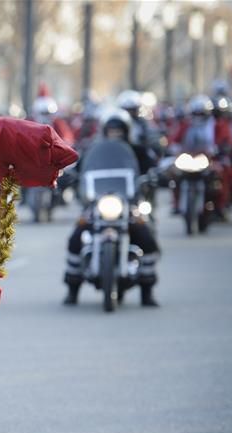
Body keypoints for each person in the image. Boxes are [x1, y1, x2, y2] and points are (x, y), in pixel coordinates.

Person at [63, 109, 160, 307]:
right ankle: (72, 289)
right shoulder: (93, 150)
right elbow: (79, 168)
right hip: (98, 204)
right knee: (75, 238)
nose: (115, 133)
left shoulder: (137, 150)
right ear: (104, 130)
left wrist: (155, 176)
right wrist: (69, 176)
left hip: (128, 204)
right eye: (111, 129)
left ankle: (147, 291)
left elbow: (152, 167)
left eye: (119, 130)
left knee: (147, 238)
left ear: (127, 130)